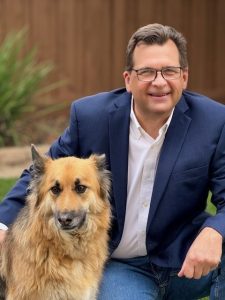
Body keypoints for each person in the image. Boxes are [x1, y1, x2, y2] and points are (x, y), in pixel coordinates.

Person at [0, 23, 225, 299]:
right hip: (125, 268)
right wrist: (2, 225)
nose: (159, 81)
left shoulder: (214, 122)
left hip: (186, 258)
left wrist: (215, 231)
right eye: (146, 72)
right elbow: (44, 173)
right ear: (128, 79)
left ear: (184, 77)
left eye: (169, 71)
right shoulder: (90, 117)